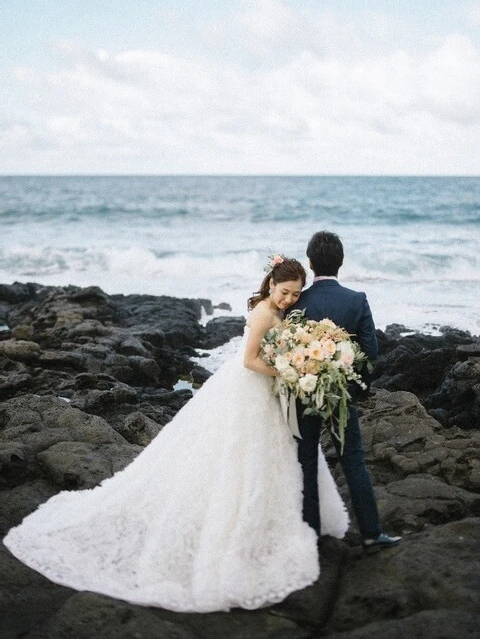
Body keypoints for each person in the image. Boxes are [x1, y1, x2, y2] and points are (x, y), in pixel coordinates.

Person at [3, 257, 349, 613]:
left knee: (270, 457)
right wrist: (288, 371)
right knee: (240, 455)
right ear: (272, 285)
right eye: (285, 292)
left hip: (265, 392)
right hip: (250, 387)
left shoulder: (279, 311)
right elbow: (249, 360)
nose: (290, 299)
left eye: (295, 294)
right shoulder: (263, 312)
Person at [291, 232, 401, 552]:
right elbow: (371, 352)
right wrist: (352, 387)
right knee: (353, 461)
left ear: (310, 264)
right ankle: (371, 533)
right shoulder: (357, 299)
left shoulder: (298, 300)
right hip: (341, 395)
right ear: (341, 263)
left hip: (304, 393)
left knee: (306, 461)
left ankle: (310, 536)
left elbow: (287, 350)